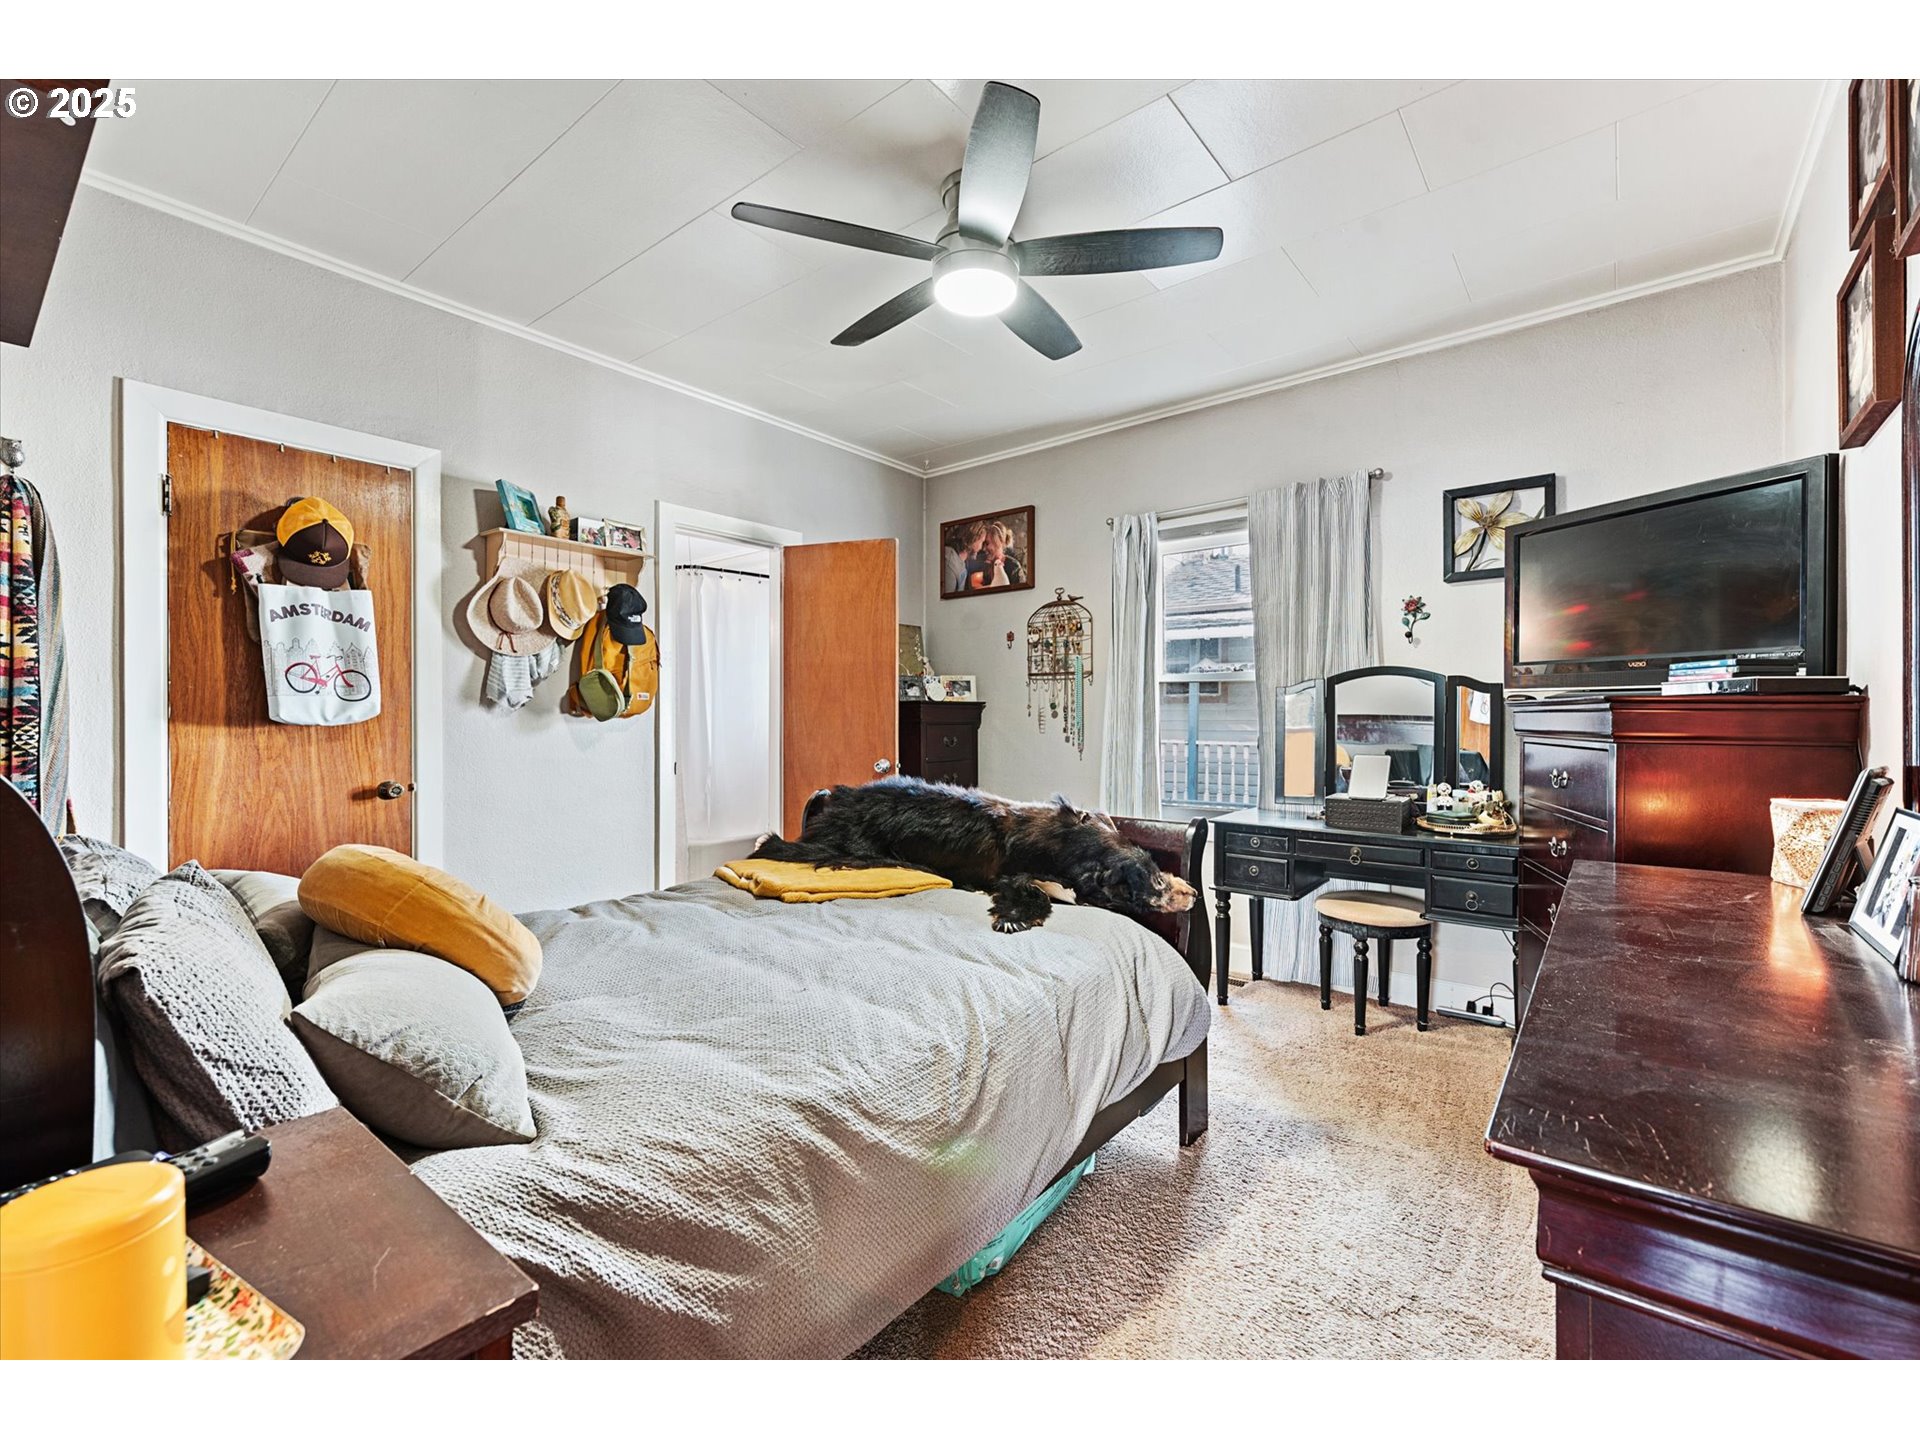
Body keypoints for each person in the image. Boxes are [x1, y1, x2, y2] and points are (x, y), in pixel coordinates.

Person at [967, 521, 1026, 590]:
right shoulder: (985, 565)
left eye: (987, 543)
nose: (983, 548)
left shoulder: (1014, 567)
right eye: (983, 543)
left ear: (999, 541)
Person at [942, 520, 988, 594]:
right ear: (973, 538)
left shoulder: (962, 561)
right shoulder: (949, 562)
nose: (981, 547)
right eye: (981, 542)